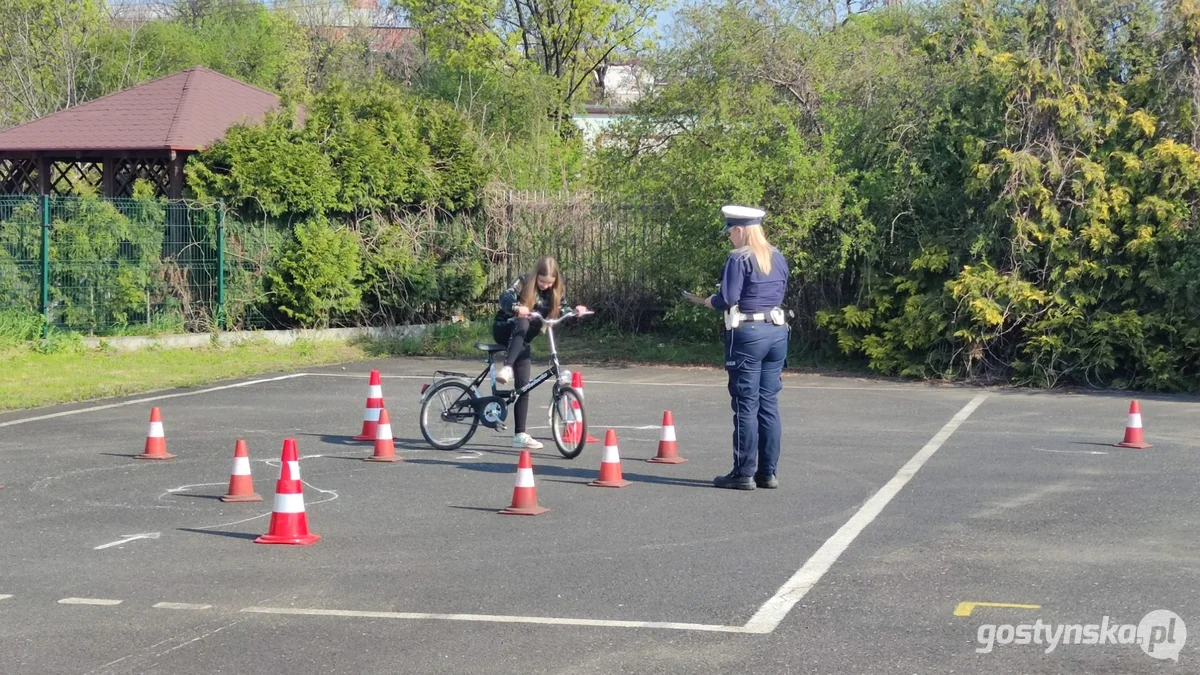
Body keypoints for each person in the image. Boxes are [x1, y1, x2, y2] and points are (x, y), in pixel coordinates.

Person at [684, 205, 790, 490]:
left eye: (730, 230)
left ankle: (743, 472)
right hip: (776, 332)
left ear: (741, 230)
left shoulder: (738, 258)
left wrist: (710, 301)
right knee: (768, 405)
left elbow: (728, 298)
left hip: (748, 335)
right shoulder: (777, 256)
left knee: (746, 404)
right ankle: (767, 473)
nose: (729, 236)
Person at [493, 256, 588, 450]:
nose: (545, 285)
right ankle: (507, 368)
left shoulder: (555, 292)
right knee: (524, 319)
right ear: (536, 276)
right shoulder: (524, 281)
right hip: (505, 328)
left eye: (550, 282)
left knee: (524, 386)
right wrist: (515, 307)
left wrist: (576, 313)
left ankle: (520, 435)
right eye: (542, 281)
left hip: (523, 340)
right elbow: (505, 297)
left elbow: (564, 310)